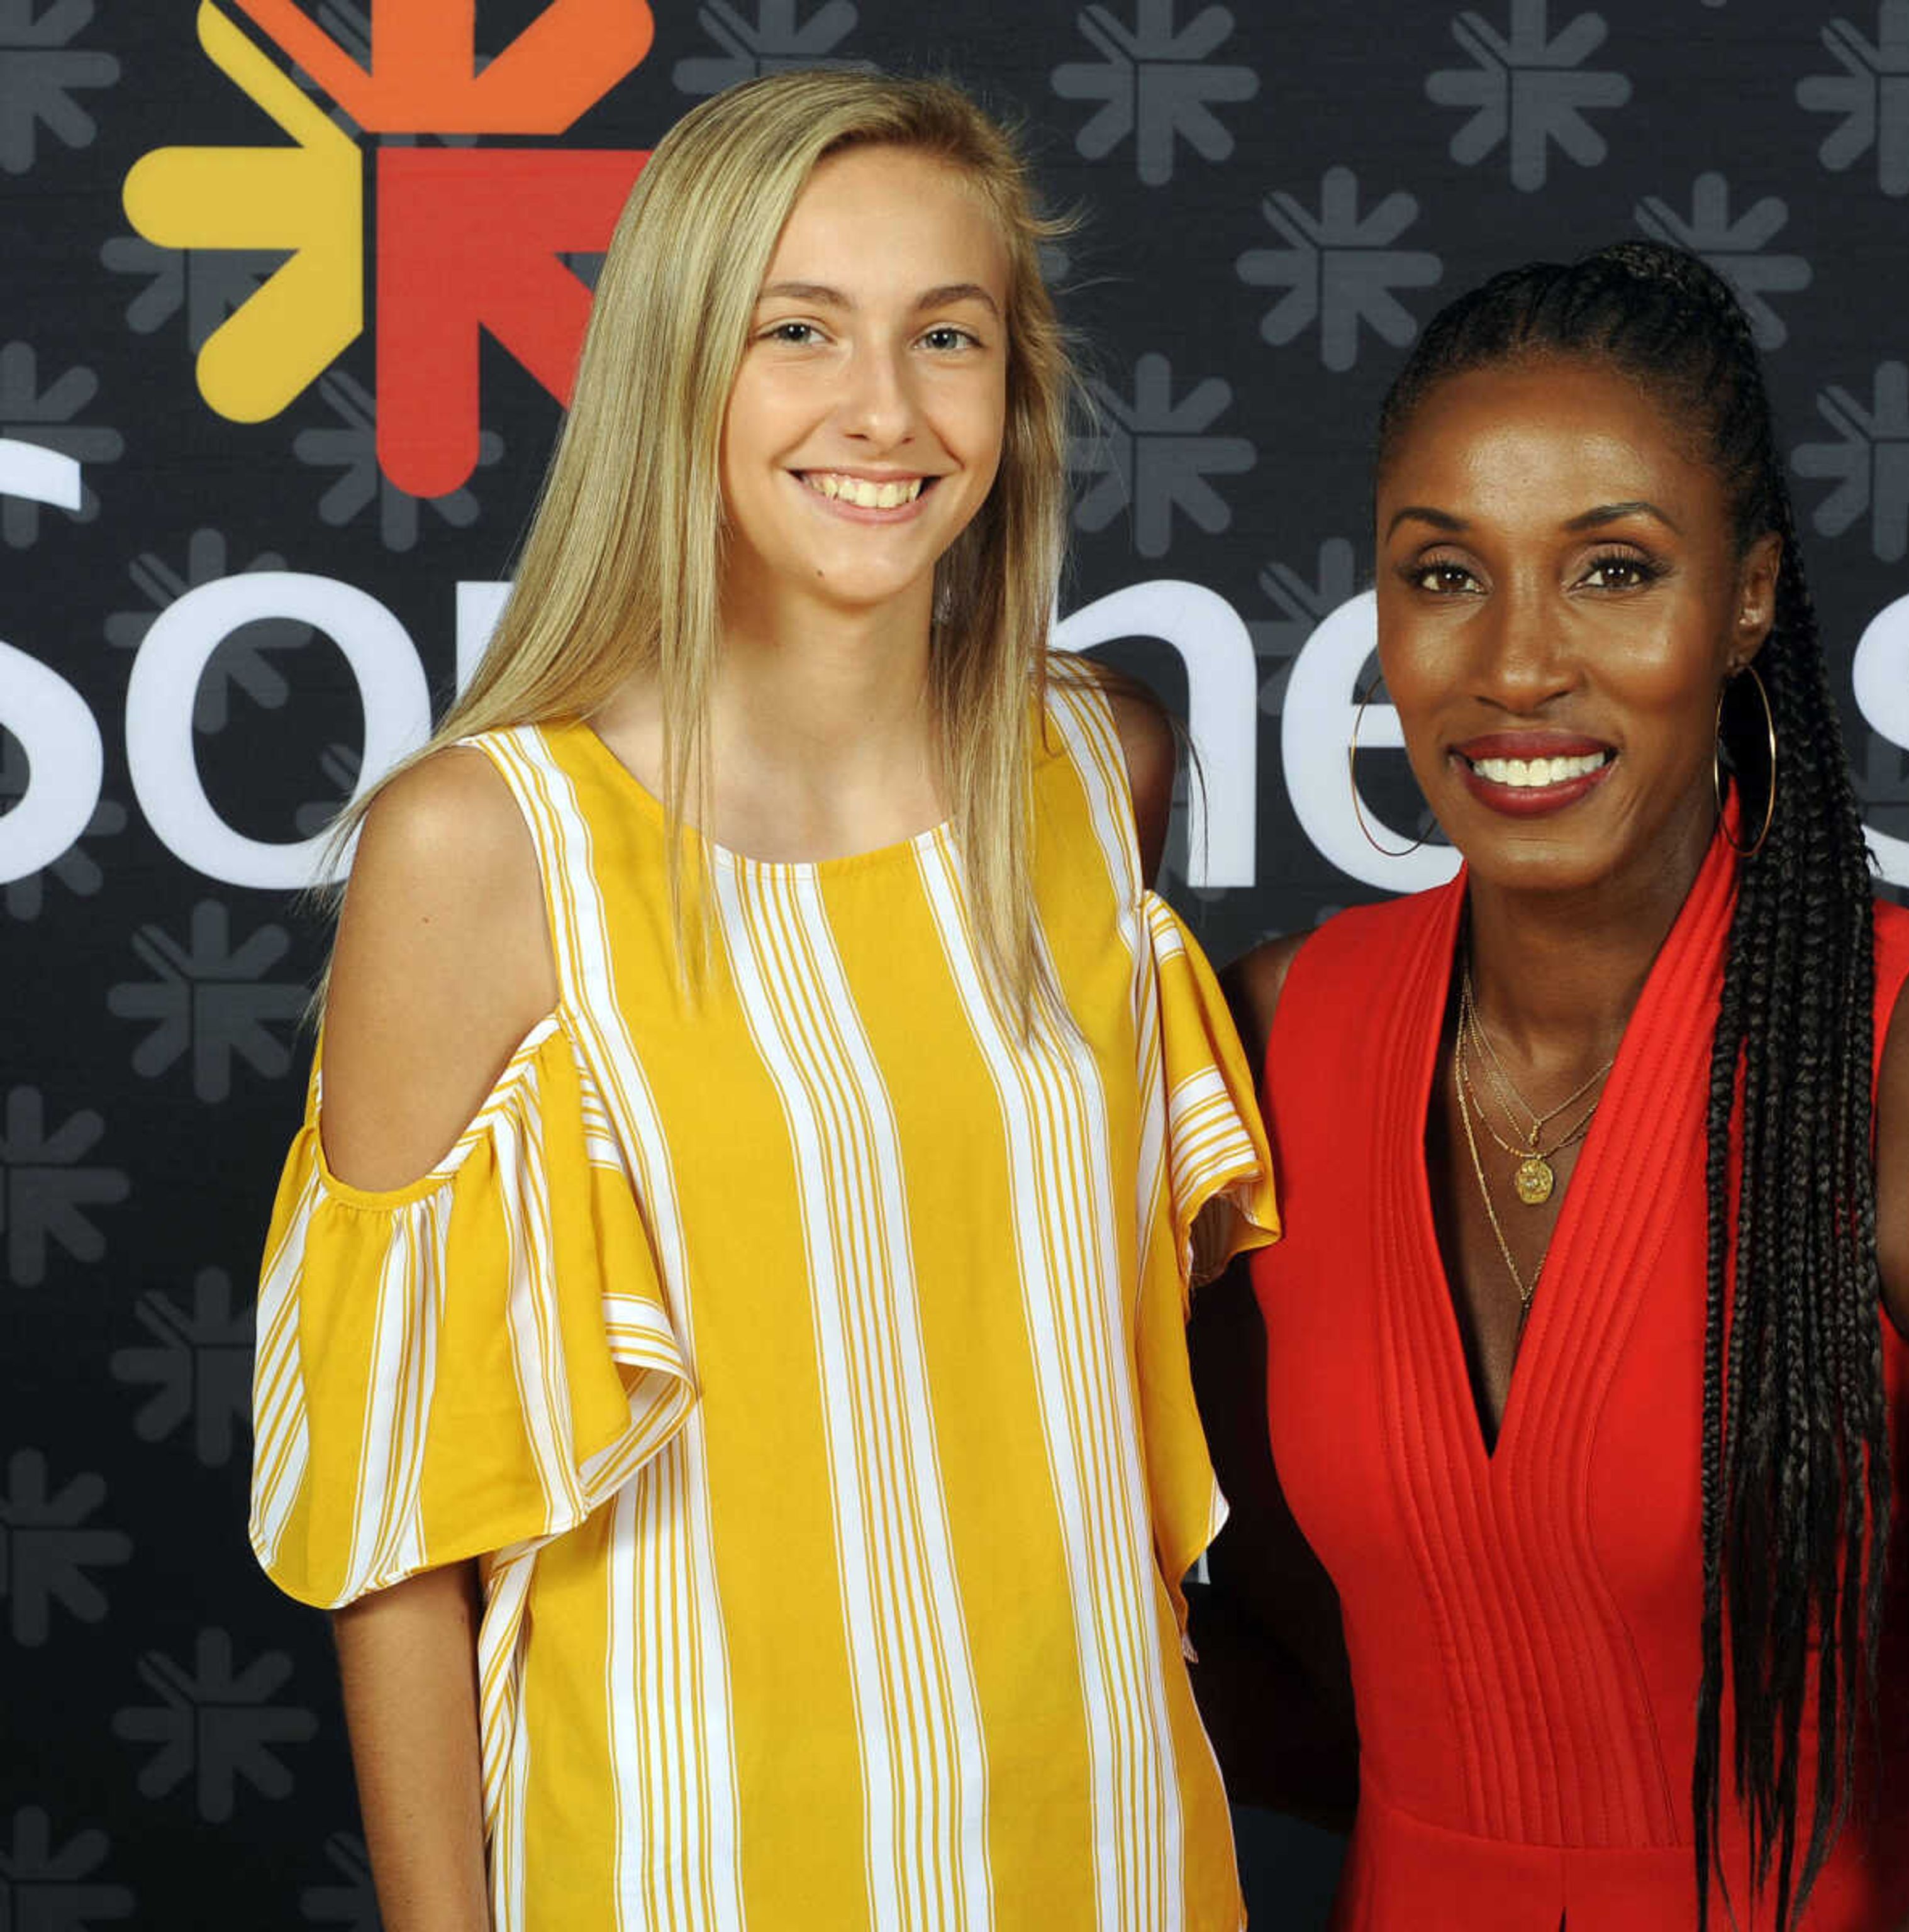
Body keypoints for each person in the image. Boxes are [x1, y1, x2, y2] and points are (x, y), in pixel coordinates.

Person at [247, 70, 1275, 1931]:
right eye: (796, 330)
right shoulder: (487, 846)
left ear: (1014, 388)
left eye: (943, 335)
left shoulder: (1091, 766)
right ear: (674, 370)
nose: (882, 410)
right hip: (686, 1859)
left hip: (1110, 1840)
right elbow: (395, 1530)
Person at [1192, 243, 1909, 1930]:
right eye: (1444, 577)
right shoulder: (1281, 1034)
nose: (1516, 666)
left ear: (1744, 598)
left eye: (1613, 573)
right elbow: (1262, 1683)